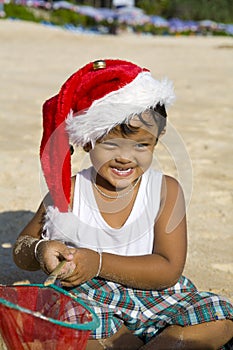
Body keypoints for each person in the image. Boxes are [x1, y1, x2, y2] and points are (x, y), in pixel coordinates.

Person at [13, 59, 233, 349]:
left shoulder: (165, 191)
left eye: (141, 145)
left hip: (158, 298)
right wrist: (42, 249)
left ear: (157, 139)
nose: (125, 157)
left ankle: (163, 344)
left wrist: (99, 262)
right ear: (88, 141)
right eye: (111, 144)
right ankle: (124, 343)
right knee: (68, 322)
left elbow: (168, 268)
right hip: (91, 300)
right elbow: (22, 250)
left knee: (219, 316)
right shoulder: (70, 191)